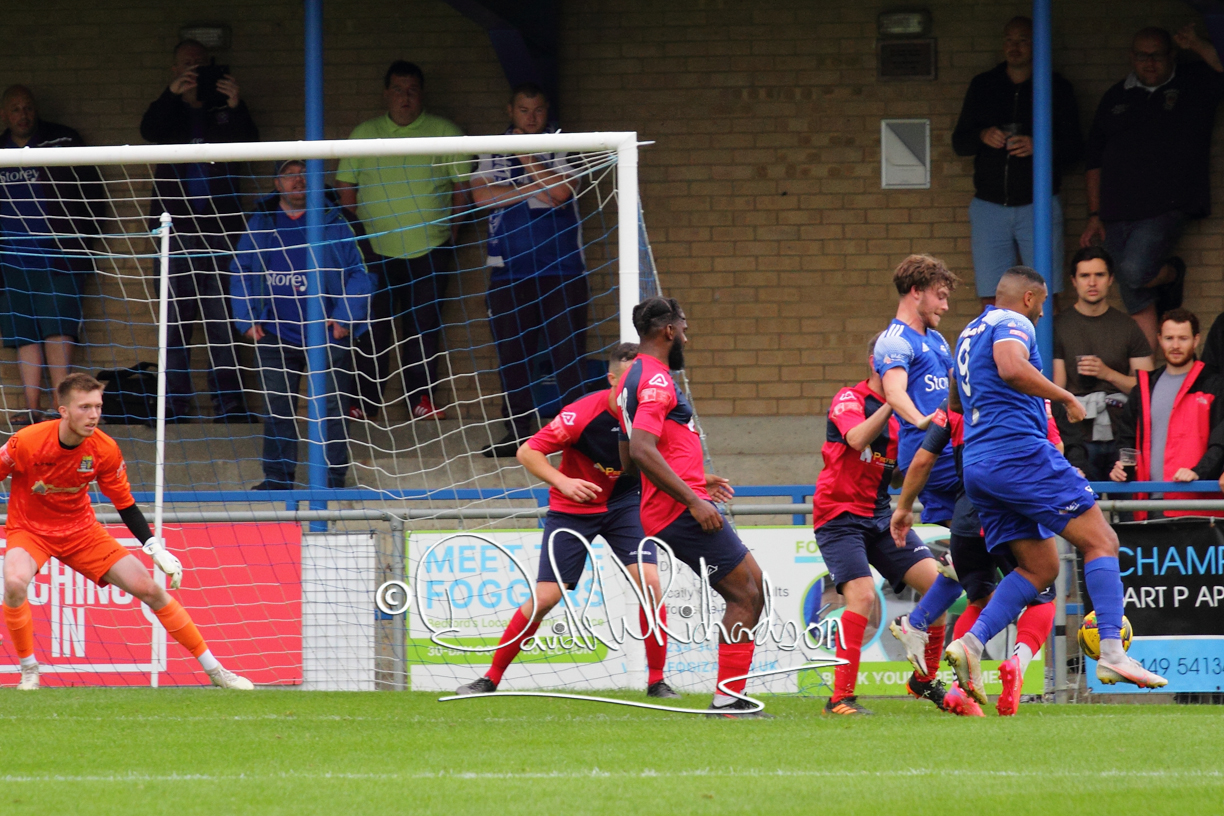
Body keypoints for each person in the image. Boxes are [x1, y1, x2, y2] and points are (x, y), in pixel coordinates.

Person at [945, 266, 1167, 702]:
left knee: (1040, 568)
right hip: (1018, 454)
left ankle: (970, 644)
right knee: (1102, 540)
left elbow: (956, 399)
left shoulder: (969, 332)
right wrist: (1064, 396)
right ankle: (1112, 652)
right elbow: (1011, 367)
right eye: (1043, 303)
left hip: (978, 465)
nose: (1043, 314)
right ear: (1029, 298)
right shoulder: (1014, 322)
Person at [1, 374, 253, 690]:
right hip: (30, 531)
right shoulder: (27, 440)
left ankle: (217, 672)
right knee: (14, 583)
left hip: (81, 532)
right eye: (84, 407)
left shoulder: (104, 448)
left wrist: (155, 547)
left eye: (97, 406)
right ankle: (29, 671)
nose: (93, 415)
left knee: (151, 589)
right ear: (63, 411)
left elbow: (125, 504)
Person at [455, 343, 678, 699]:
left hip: (625, 506)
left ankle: (657, 682)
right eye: (630, 381)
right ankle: (490, 678)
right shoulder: (580, 414)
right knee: (546, 598)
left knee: (650, 583)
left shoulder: (653, 412)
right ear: (612, 380)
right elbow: (527, 451)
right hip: (573, 509)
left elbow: (669, 457)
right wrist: (563, 481)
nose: (638, 388)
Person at [617, 297, 768, 718]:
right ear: (668, 331)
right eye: (683, 328)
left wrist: (696, 479)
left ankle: (732, 696)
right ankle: (727, 701)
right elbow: (642, 450)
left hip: (674, 501)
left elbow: (628, 458)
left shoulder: (631, 378)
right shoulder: (656, 380)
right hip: (678, 510)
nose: (687, 336)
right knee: (744, 594)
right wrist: (692, 498)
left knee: (755, 585)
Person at [890, 387, 1062, 717]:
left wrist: (903, 507)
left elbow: (923, 459)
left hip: (965, 518)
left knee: (978, 599)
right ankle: (1017, 665)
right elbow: (1055, 447)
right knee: (1042, 594)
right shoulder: (1028, 394)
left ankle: (958, 691)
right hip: (1010, 512)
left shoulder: (954, 402)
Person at [813, 334, 947, 717]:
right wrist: (893, 402)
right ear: (876, 363)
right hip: (839, 516)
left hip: (880, 515)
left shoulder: (906, 415)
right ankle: (840, 699)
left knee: (939, 590)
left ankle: (925, 680)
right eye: (897, 367)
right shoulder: (850, 398)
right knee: (863, 598)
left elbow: (894, 475)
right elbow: (856, 439)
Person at [335, 61, 472, 422]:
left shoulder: (446, 132)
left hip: (430, 248)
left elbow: (463, 187)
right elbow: (345, 184)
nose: (405, 97)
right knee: (371, 327)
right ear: (386, 94)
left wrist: (452, 232)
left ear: (421, 94)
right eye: (398, 89)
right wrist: (354, 236)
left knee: (423, 327)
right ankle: (364, 403)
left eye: (412, 89)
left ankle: (420, 399)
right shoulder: (364, 134)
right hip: (374, 252)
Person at [230, 161, 375, 490]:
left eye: (305, 174)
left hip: (327, 333)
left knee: (331, 408)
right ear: (277, 183)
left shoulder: (338, 220)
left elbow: (363, 273)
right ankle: (278, 480)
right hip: (275, 333)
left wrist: (345, 317)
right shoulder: (262, 221)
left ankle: (332, 480)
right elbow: (241, 269)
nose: (298, 180)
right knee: (277, 408)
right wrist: (247, 318)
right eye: (290, 174)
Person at [1080, 24, 1224, 350]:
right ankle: (1144, 371)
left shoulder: (1193, 83)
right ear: (1131, 57)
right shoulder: (1116, 96)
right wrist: (1094, 214)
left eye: (1156, 55)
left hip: (1167, 206)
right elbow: (1094, 160)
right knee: (1134, 294)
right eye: (1142, 56)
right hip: (1115, 211)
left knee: (1133, 272)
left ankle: (1172, 273)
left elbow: (1221, 65)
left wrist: (1197, 43)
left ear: (1171, 55)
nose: (1149, 62)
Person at [140, 39, 259, 422]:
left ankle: (228, 404)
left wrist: (236, 105)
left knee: (222, 321)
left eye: (200, 64)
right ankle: (174, 406)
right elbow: (148, 130)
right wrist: (171, 95)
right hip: (174, 232)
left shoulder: (223, 110)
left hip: (220, 231)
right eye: (186, 64)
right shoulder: (168, 110)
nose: (194, 70)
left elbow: (251, 144)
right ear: (175, 70)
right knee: (174, 324)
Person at [472, 83, 590, 458]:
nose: (531, 117)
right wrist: (534, 188)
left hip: (563, 270)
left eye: (538, 110)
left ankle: (576, 434)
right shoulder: (491, 148)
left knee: (567, 356)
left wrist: (525, 157)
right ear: (510, 111)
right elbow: (481, 197)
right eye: (524, 110)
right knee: (513, 357)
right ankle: (518, 434)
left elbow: (561, 193)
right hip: (508, 272)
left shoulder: (563, 145)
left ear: (547, 111)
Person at [952, 15, 1083, 306]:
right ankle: (998, 339)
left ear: (1038, 44)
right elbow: (959, 142)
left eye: (1023, 40)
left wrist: (1039, 146)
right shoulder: (984, 85)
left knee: (1045, 293)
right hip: (989, 204)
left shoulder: (1057, 87)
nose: (1015, 47)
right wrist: (983, 135)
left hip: (1038, 204)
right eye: (1009, 40)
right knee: (992, 295)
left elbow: (1076, 149)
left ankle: (1043, 340)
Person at [0, 85, 106, 426]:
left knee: (58, 329)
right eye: (16, 108)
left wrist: (84, 240)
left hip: (59, 256)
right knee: (24, 333)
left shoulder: (63, 140)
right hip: (10, 260)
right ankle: (33, 409)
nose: (23, 114)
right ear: (5, 114)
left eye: (28, 107)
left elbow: (93, 193)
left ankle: (61, 409)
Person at [1110, 308, 1224, 518]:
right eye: (1169, 338)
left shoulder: (1215, 384)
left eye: (1183, 338)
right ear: (1159, 339)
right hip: (1148, 502)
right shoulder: (1144, 386)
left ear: (1196, 340)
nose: (1175, 345)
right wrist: (1120, 465)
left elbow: (1220, 442)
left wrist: (1198, 471)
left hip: (1197, 503)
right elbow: (1126, 438)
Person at [1053, 245, 1153, 480]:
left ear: (1110, 279)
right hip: (1077, 436)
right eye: (1084, 276)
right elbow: (1056, 389)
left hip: (1122, 434)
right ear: (1074, 281)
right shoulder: (1059, 326)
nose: (1092, 282)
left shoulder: (1127, 326)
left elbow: (1147, 388)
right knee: (1084, 498)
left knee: (1126, 498)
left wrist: (1107, 373)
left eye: (1099, 275)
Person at [873, 254, 960, 525]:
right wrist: (920, 420)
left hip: (949, 449)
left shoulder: (938, 339)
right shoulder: (894, 340)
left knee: (975, 541)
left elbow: (958, 388)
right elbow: (894, 393)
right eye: (940, 297)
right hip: (932, 455)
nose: (945, 306)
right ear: (916, 291)